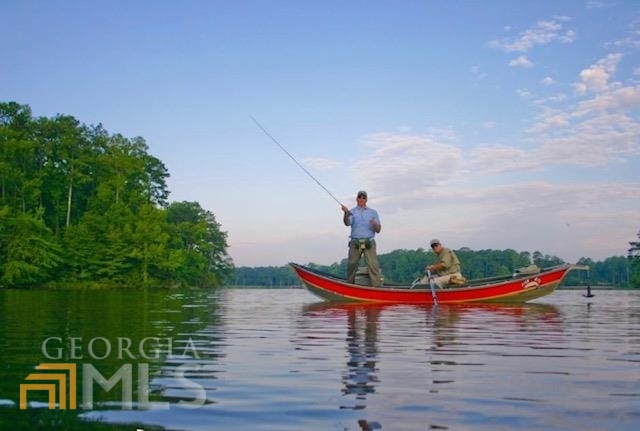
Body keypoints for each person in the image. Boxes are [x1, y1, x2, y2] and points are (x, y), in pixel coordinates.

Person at [340, 190, 382, 287]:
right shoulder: (352, 212)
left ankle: (377, 288)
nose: (361, 199)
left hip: (369, 242)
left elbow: (378, 229)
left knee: (373, 265)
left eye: (364, 197)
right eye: (360, 197)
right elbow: (347, 223)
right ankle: (349, 286)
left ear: (366, 200)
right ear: (357, 199)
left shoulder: (373, 212)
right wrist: (346, 213)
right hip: (355, 242)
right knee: (352, 265)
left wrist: (374, 224)